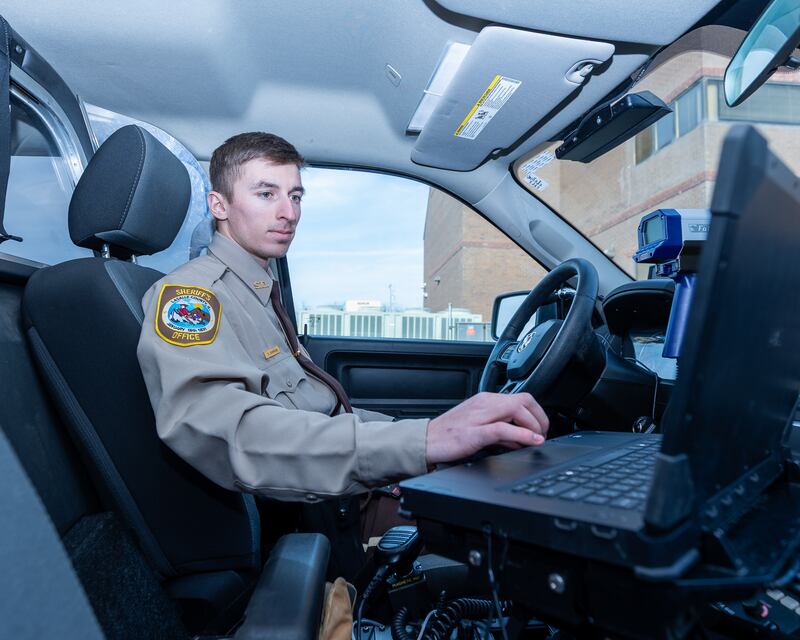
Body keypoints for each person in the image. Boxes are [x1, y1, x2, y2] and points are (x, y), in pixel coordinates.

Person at [137, 132, 549, 505]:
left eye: (295, 196)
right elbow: (228, 434)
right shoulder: (193, 297)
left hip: (331, 492)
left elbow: (319, 412)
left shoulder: (257, 290)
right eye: (266, 194)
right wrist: (425, 441)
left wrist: (431, 432)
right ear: (219, 205)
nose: (288, 213)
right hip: (303, 512)